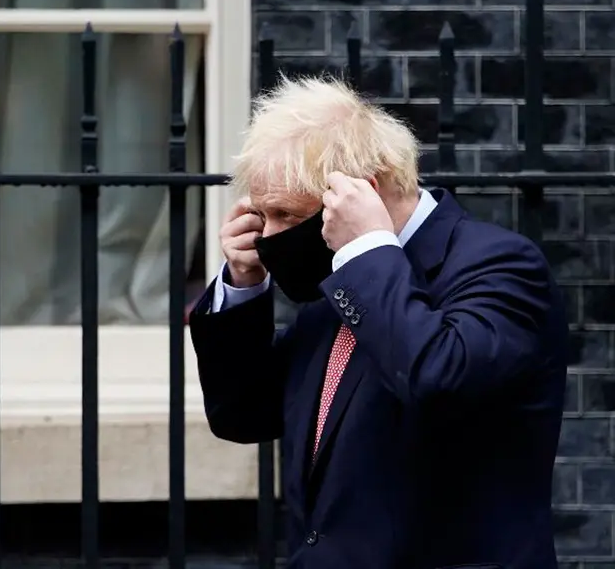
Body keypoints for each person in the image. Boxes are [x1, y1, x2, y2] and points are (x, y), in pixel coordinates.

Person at [189, 76, 567, 569]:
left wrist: (367, 249)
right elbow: (244, 414)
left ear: (361, 192)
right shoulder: (342, 282)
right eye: (263, 216)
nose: (269, 236)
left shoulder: (500, 266)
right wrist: (243, 284)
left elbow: (439, 377)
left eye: (286, 214)